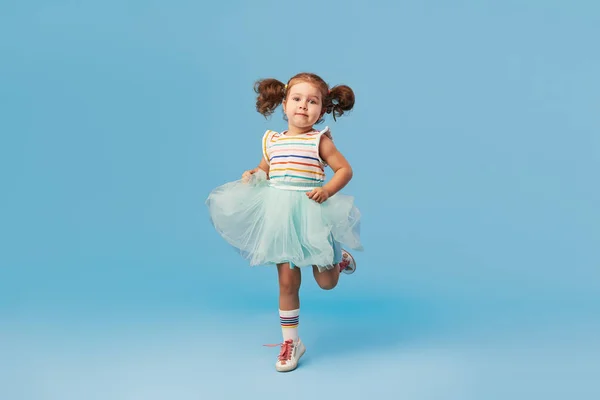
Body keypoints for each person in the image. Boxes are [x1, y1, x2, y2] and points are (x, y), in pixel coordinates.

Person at [206, 72, 363, 372]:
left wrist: (327, 189)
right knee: (288, 282)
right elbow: (266, 169)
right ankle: (291, 342)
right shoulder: (272, 141)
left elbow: (344, 170)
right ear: (284, 103)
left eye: (312, 101)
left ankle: (337, 260)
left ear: (323, 108)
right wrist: (254, 175)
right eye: (297, 99)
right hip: (281, 218)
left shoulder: (320, 140)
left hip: (312, 215)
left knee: (326, 283)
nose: (304, 106)